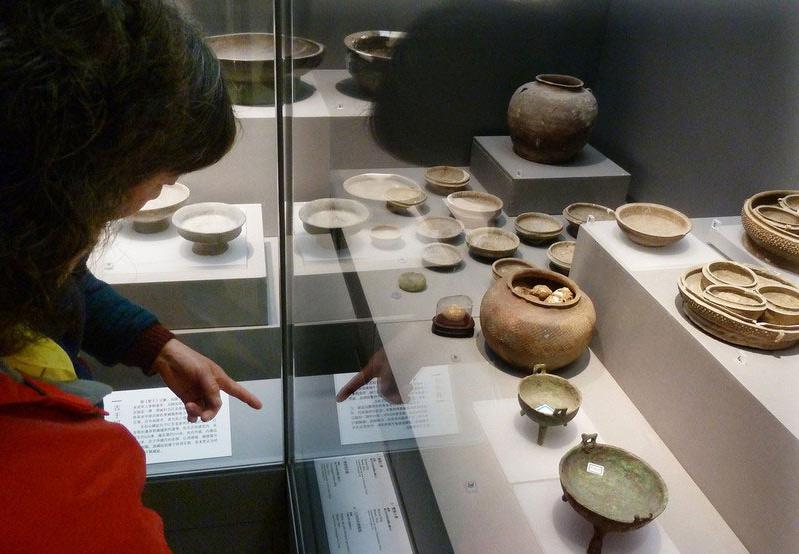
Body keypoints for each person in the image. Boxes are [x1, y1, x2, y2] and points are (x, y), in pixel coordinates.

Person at [0, 1, 261, 550]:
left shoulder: (23, 246)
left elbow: (48, 280)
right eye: (162, 175)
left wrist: (153, 344)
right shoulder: (53, 474)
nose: (159, 192)